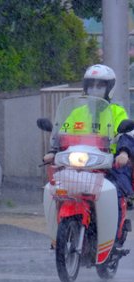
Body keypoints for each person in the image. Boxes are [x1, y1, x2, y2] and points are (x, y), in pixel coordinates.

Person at [43, 64, 134, 247]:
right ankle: (57, 235)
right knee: (57, 189)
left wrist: (123, 152)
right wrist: (53, 151)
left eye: (100, 85)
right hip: (80, 164)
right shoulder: (77, 112)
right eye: (91, 84)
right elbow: (62, 133)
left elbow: (125, 134)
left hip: (108, 165)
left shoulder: (116, 112)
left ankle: (113, 238)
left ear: (109, 87)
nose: (94, 89)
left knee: (115, 191)